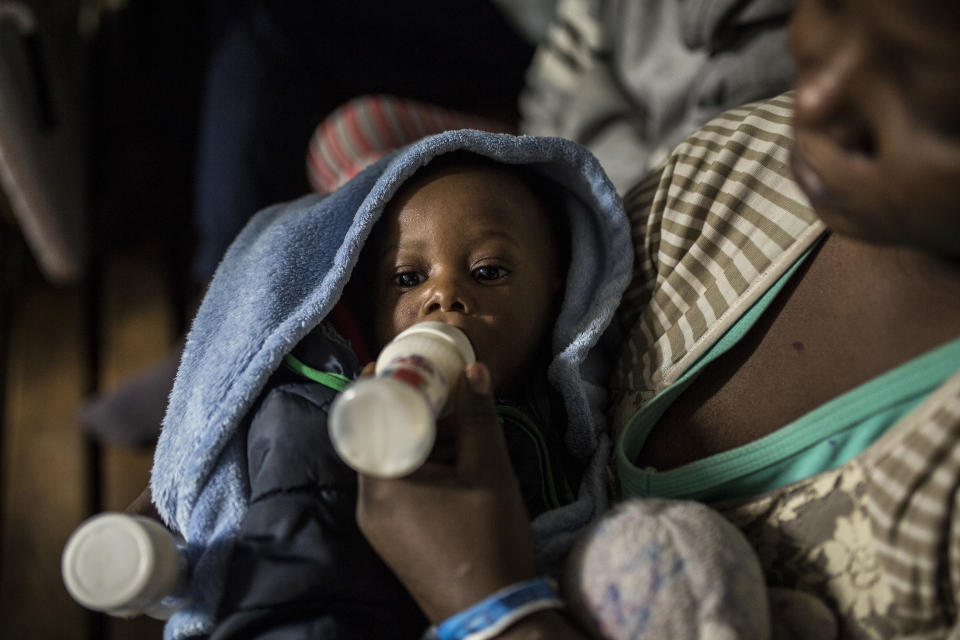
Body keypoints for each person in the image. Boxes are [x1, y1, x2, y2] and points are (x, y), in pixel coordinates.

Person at [354, 0, 960, 638]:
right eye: (838, 10)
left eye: (925, 91)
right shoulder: (736, 170)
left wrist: (488, 605)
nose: (816, 99)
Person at [149, 130, 633, 639]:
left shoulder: (574, 424)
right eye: (407, 279)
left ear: (560, 288)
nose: (443, 294)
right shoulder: (308, 417)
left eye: (488, 271)